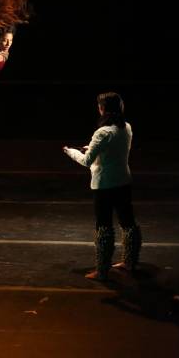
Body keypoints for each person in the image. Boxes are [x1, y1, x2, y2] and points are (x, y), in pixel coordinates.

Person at [63, 92, 142, 281]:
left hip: (104, 185)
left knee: (104, 227)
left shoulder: (102, 132)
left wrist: (71, 152)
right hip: (123, 181)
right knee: (128, 223)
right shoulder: (126, 128)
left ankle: (102, 270)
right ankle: (130, 262)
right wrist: (91, 148)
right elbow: (111, 151)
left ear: (103, 109)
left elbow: (87, 161)